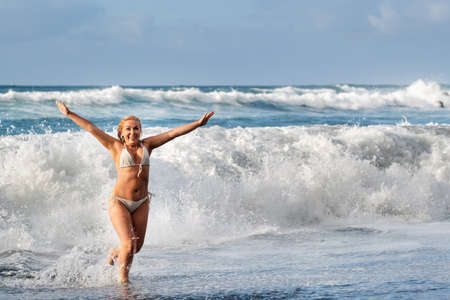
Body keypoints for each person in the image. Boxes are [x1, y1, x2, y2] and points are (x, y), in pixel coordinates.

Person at [56, 101, 214, 284]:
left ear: (141, 130)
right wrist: (69, 113)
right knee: (129, 244)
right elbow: (92, 128)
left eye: (136, 128)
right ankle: (123, 282)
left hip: (142, 203)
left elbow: (173, 133)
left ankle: (115, 252)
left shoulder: (148, 145)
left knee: (135, 247)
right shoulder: (115, 146)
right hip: (120, 202)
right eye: (128, 129)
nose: (133, 132)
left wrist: (197, 123)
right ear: (121, 133)